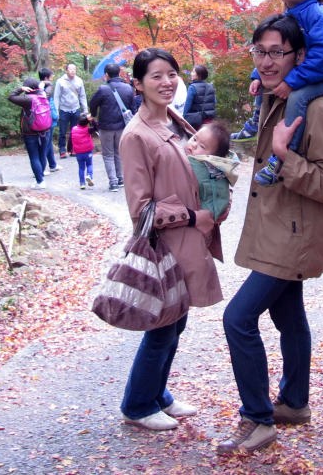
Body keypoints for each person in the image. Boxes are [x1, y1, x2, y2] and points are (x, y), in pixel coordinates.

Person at [217, 14, 323, 454]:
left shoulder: (319, 109)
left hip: (294, 234)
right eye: (260, 52)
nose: (266, 61)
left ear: (301, 55)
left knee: (238, 319)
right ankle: (294, 403)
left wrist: (283, 156)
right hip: (279, 226)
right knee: (288, 316)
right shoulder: (278, 99)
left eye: (277, 52)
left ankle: (257, 420)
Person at [117, 47, 225, 432]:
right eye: (156, 76)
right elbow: (140, 208)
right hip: (166, 244)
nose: (166, 82)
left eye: (171, 74)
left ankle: (157, 394)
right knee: (162, 326)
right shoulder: (136, 135)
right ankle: (137, 404)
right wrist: (193, 215)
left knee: (176, 323)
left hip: (188, 242)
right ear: (138, 84)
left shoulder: (173, 119)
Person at [241, 0, 323, 187]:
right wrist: (257, 75)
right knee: (265, 83)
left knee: (297, 97)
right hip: (310, 72)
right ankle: (254, 121)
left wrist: (292, 81)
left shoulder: (319, 15)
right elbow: (275, 51)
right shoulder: (290, 17)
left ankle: (281, 157)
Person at [89, 63, 136, 192]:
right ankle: (120, 179)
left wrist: (93, 114)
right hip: (122, 126)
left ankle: (113, 182)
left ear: (106, 75)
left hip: (106, 127)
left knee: (108, 155)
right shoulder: (128, 88)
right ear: (119, 73)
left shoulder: (103, 89)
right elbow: (133, 108)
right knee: (119, 153)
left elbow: (92, 103)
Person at [185, 121, 238, 225]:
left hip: (201, 217)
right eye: (194, 139)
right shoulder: (221, 166)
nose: (194, 145)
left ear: (213, 157)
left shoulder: (198, 165)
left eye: (202, 146)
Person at [7, 77, 52, 189]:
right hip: (45, 130)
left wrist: (21, 89)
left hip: (30, 132)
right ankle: (41, 178)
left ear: (27, 88)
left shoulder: (27, 99)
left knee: (34, 156)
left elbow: (11, 97)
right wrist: (42, 83)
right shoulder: (45, 95)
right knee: (42, 154)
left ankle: (40, 182)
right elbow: (50, 85)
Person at [53, 63, 88, 158]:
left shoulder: (79, 81)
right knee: (62, 131)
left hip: (75, 108)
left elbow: (82, 95)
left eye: (74, 69)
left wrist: (85, 109)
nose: (73, 71)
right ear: (66, 70)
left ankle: (73, 149)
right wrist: (56, 111)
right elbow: (56, 97)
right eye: (70, 69)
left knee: (75, 131)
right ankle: (62, 150)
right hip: (64, 109)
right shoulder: (60, 81)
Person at [38, 68, 60, 175]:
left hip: (49, 119)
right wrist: (55, 115)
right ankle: (40, 170)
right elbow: (48, 104)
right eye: (51, 75)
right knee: (45, 144)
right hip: (47, 119)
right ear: (46, 77)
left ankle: (52, 165)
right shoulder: (46, 88)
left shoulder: (44, 87)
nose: (53, 77)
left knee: (49, 142)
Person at [182, 64, 217, 130]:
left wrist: (183, 118)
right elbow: (214, 102)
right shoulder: (210, 86)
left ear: (199, 75)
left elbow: (187, 105)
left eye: (193, 72)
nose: (191, 74)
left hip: (197, 121)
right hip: (210, 121)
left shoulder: (192, 87)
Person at [70, 113, 96, 189]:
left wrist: (70, 149)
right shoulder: (88, 130)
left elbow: (70, 140)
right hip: (88, 151)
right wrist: (92, 120)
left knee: (81, 168)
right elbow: (96, 127)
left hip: (78, 153)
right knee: (89, 165)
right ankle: (89, 176)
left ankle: (82, 184)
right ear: (87, 122)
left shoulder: (73, 129)